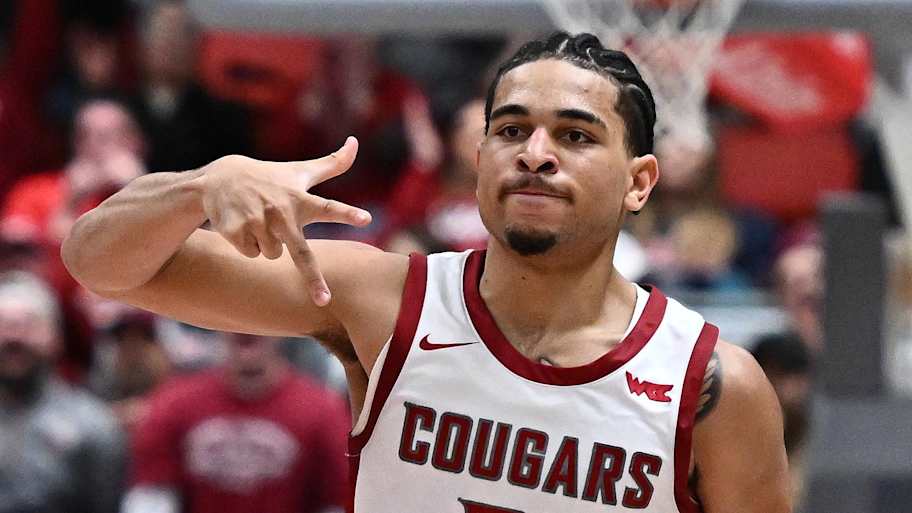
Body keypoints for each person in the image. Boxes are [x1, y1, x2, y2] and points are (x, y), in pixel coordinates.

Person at [63, 32, 790, 513]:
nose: (534, 152)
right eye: (510, 130)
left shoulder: (713, 384)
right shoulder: (382, 300)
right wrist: (200, 184)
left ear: (639, 182)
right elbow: (98, 263)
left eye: (574, 135)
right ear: (477, 162)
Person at [122, 332, 349, 513]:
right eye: (235, 318)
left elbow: (337, 501)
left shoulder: (323, 411)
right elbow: (151, 497)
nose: (245, 328)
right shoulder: (173, 405)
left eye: (257, 318)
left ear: (282, 330)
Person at [0, 271, 125, 513]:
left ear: (56, 337)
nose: (14, 337)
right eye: (3, 326)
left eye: (28, 324)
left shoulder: (93, 425)